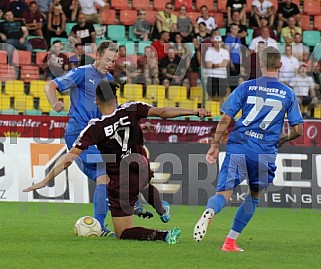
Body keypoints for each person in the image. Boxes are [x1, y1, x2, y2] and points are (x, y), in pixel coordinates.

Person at [24, 80, 212, 243]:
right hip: (142, 165)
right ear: (115, 97)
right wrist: (194, 110)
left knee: (123, 232)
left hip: (122, 180)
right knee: (144, 183)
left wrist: (44, 180)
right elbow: (162, 111)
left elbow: (69, 157)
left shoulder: (95, 128)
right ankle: (162, 210)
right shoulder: (131, 108)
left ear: (96, 101)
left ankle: (165, 235)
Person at [193, 46, 304, 252]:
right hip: (264, 153)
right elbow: (298, 129)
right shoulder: (288, 93)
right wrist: (281, 140)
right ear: (279, 65)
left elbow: (226, 118)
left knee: (223, 193)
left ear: (260, 64)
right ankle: (230, 242)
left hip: (239, 147)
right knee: (254, 195)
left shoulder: (246, 87)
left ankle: (210, 210)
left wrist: (215, 145)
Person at [42, 41, 150, 237]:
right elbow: (50, 85)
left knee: (105, 178)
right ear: (98, 56)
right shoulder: (81, 73)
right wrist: (54, 101)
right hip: (78, 135)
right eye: (107, 59)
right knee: (111, 165)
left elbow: (114, 112)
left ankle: (100, 225)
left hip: (98, 137)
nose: (110, 63)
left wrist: (138, 124)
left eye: (114, 60)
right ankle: (132, 202)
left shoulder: (108, 79)